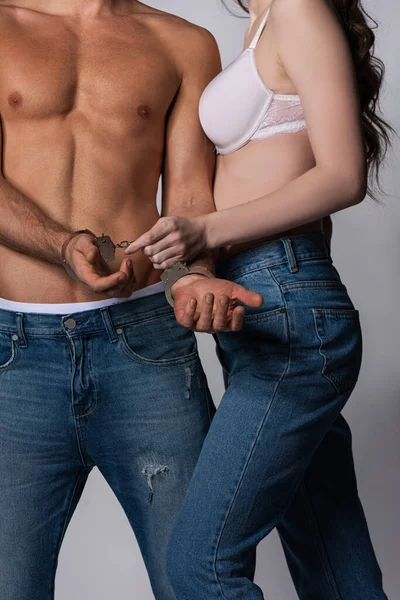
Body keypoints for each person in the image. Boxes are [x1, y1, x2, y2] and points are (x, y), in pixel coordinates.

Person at [127, 0, 392, 597]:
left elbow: (342, 175)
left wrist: (208, 230)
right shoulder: (266, 17)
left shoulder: (300, 8)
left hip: (288, 302)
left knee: (201, 563)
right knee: (332, 561)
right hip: (259, 303)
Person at [0, 1, 264, 598]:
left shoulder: (184, 43)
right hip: (14, 354)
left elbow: (191, 194)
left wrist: (195, 274)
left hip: (146, 346)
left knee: (198, 581)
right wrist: (61, 244)